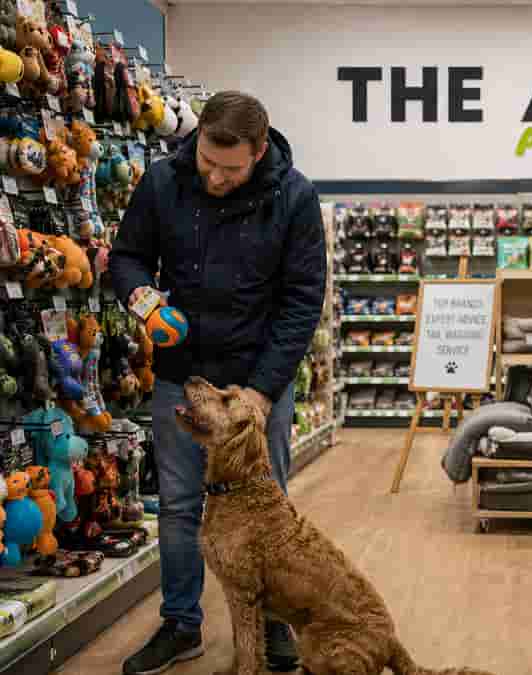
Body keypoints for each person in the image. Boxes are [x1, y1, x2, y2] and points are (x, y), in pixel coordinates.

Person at [109, 91, 326, 675]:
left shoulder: (295, 196)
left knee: (268, 507)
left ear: (259, 152)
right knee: (179, 506)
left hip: (257, 383)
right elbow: (126, 258)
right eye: (207, 160)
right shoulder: (161, 183)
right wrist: (144, 301)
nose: (214, 176)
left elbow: (303, 301)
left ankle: (275, 623)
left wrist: (262, 390)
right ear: (198, 135)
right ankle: (182, 625)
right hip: (183, 379)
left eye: (230, 168)